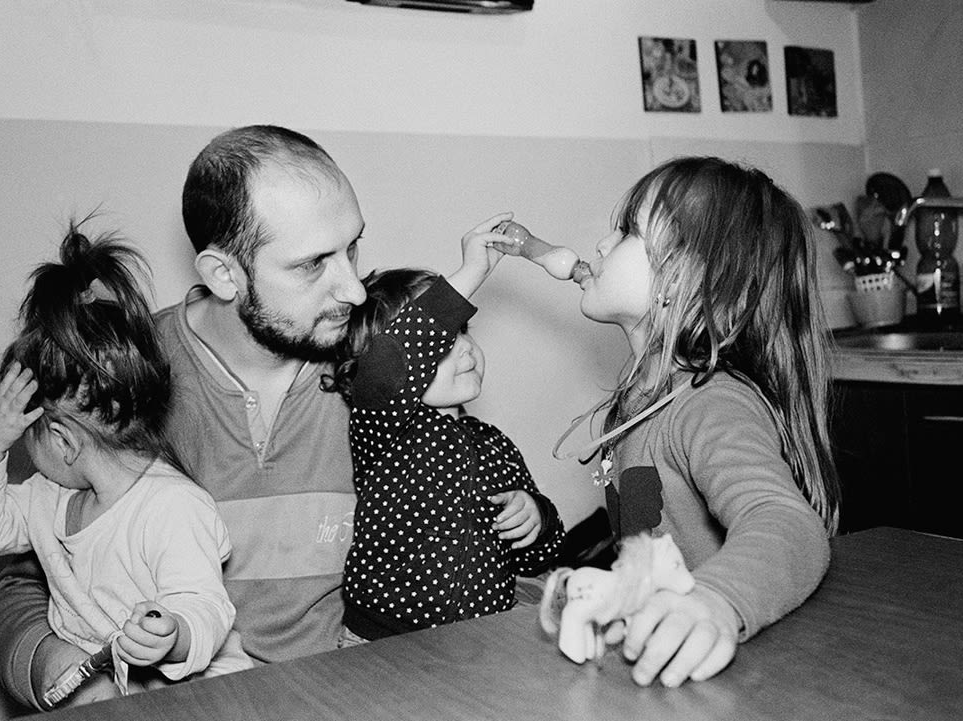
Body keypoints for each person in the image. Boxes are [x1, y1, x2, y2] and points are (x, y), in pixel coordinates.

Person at [0, 125, 367, 709]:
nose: (355, 289)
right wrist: (67, 674)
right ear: (223, 274)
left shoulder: (381, 375)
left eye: (353, 248)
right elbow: (25, 584)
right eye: (313, 264)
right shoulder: (122, 381)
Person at [552, 156, 840, 688]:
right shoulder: (643, 400)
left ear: (689, 275)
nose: (599, 246)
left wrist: (714, 601)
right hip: (661, 670)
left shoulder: (711, 404)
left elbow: (788, 523)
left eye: (626, 232)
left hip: (731, 676)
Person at [0, 224, 253, 705]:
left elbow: (207, 606)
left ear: (63, 440)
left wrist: (174, 636)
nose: (25, 451)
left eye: (26, 437)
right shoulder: (49, 498)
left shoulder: (172, 507)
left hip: (209, 700)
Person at [323, 216, 565, 643]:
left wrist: (536, 516)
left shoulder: (494, 444)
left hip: (481, 643)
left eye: (465, 330)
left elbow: (540, 555)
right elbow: (389, 366)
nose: (465, 347)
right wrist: (470, 274)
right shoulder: (384, 428)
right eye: (443, 339)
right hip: (382, 644)